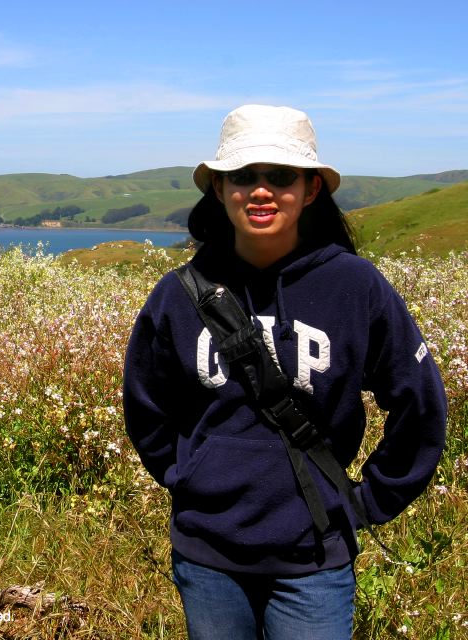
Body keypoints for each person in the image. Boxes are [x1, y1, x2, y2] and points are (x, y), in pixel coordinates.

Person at [122, 104, 447, 639]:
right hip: (207, 558)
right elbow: (146, 405)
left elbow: (419, 404)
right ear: (221, 188)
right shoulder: (178, 294)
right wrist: (189, 479)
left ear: (311, 188)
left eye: (280, 176)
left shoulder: (357, 287)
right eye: (244, 176)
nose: (261, 190)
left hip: (314, 560)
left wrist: (370, 501)